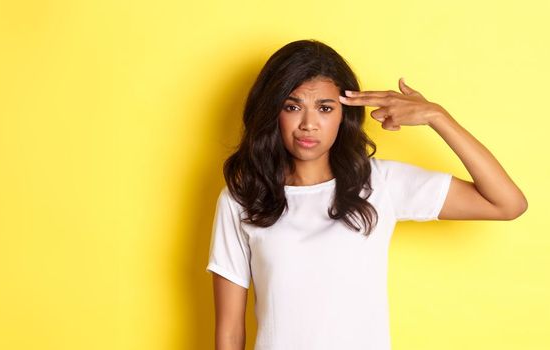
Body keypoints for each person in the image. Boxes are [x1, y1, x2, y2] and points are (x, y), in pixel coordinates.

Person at [206, 39, 527, 350]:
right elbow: (231, 332)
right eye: (292, 106)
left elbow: (507, 203)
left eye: (325, 108)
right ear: (274, 112)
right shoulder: (243, 198)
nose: (308, 124)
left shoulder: (380, 183)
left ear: (343, 114)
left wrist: (437, 117)